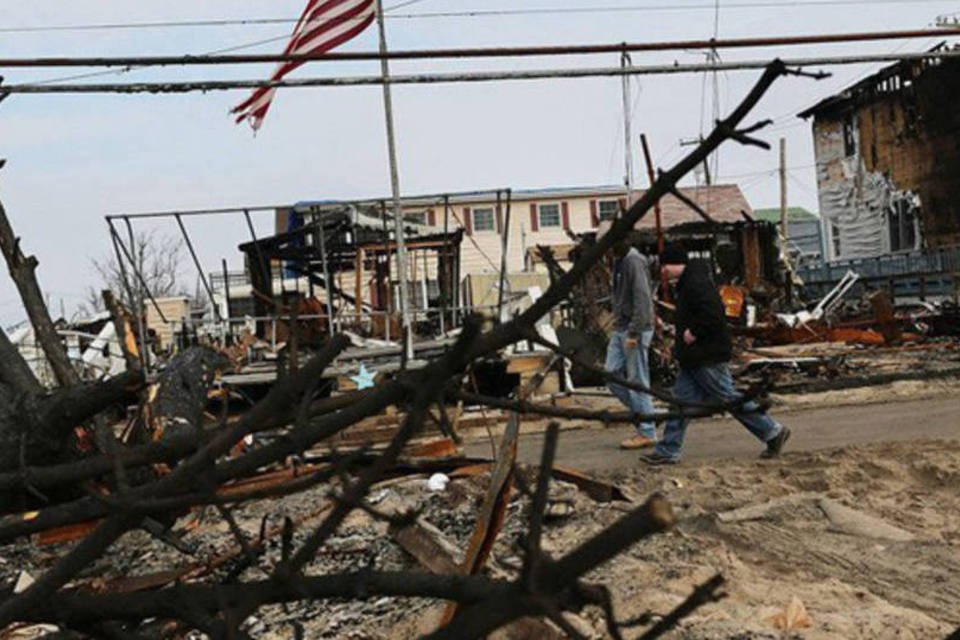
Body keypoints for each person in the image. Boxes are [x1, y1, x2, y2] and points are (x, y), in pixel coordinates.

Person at [641, 245, 790, 464]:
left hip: (706, 355)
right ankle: (668, 450)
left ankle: (773, 432)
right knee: (680, 404)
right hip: (696, 357)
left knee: (727, 398)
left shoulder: (695, 284)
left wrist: (694, 332)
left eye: (665, 265)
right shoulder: (689, 283)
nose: (662, 270)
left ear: (676, 264)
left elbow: (713, 315)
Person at [604, 231, 658, 450]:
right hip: (622, 327)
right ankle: (645, 414)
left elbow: (642, 300)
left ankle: (647, 430)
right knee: (610, 374)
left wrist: (634, 333)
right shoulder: (620, 262)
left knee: (636, 380)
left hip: (634, 329)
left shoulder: (633, 262)